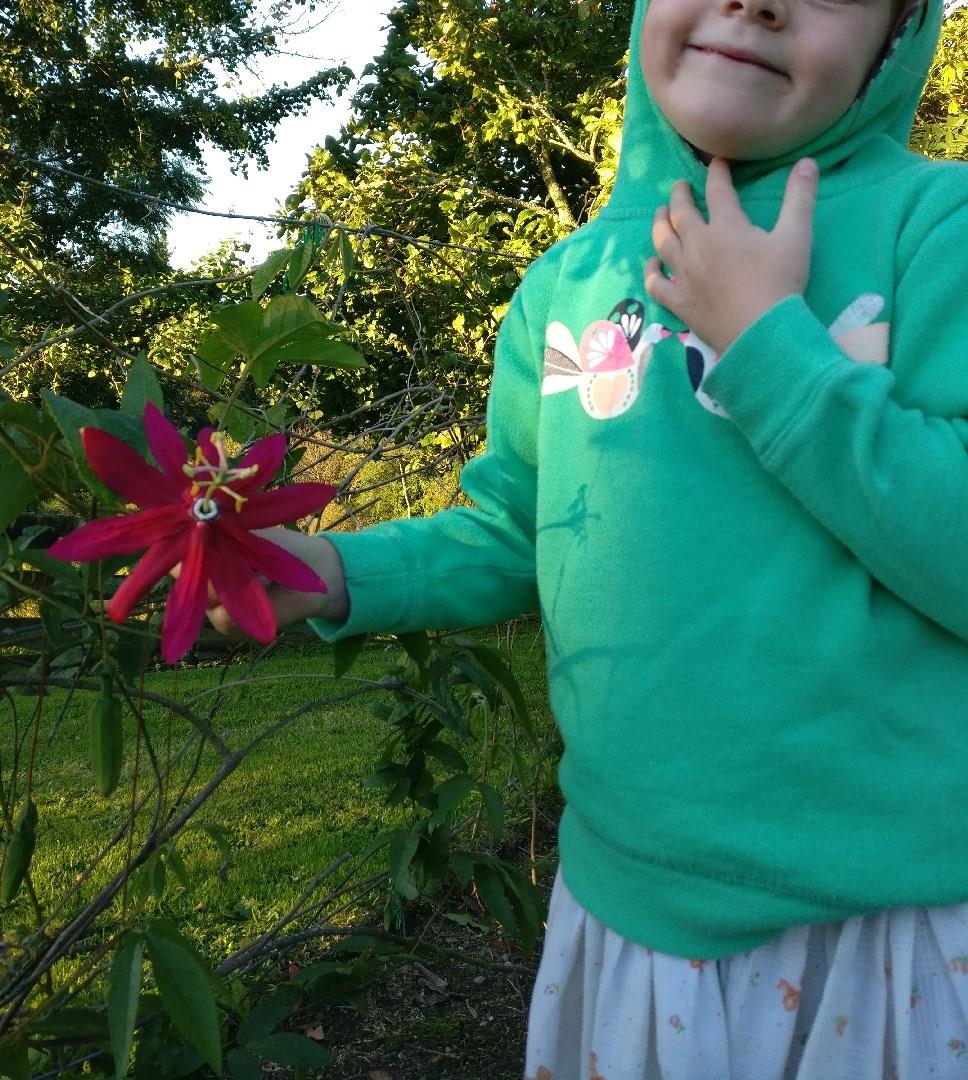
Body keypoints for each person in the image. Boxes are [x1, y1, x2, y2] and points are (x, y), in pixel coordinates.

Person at [206, 0, 968, 1071]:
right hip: (634, 909)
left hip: (897, 929)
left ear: (897, 36)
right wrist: (334, 570)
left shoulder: (939, 229)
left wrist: (767, 345)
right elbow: (518, 528)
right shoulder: (569, 283)